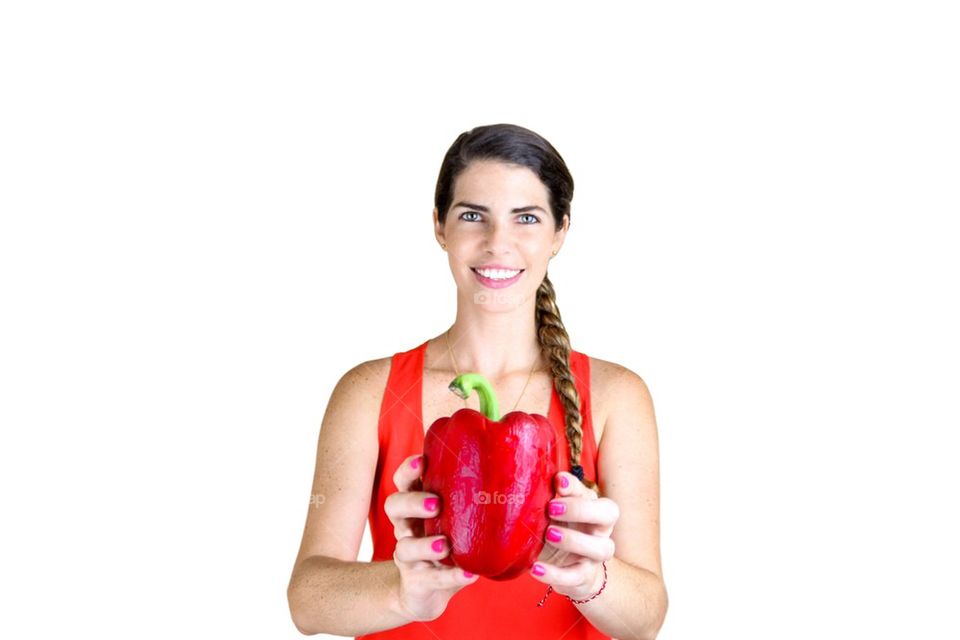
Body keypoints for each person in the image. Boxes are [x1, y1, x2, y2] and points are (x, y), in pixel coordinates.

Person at [287, 123, 668, 639]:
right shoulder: (368, 391)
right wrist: (403, 593)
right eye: (472, 215)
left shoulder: (617, 396)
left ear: (560, 233)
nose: (497, 243)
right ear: (440, 226)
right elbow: (309, 602)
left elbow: (646, 619)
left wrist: (590, 579)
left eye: (527, 218)